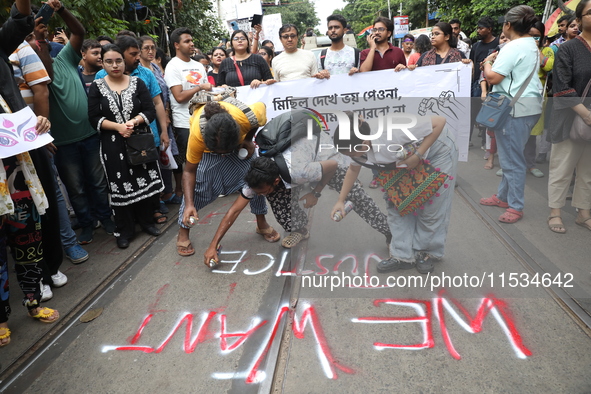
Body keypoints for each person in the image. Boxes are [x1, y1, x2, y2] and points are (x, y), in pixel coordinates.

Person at [1, 0, 61, 347]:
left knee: (27, 236)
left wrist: (38, 121)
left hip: (18, 166)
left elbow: (21, 19)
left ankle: (34, 301)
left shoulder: (3, 47)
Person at [331, 114, 457, 275]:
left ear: (363, 143)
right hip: (401, 157)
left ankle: (427, 252)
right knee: (397, 201)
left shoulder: (392, 130)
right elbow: (353, 169)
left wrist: (418, 155)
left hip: (435, 148)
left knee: (431, 204)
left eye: (351, 154)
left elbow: (440, 122)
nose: (351, 158)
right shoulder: (358, 147)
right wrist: (340, 200)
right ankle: (402, 255)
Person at [47, 0, 115, 245]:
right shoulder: (30, 75)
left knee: (98, 182)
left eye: (44, 45)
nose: (41, 47)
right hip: (62, 143)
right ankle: (86, 224)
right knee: (75, 188)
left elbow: (79, 32)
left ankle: (105, 218)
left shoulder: (64, 60)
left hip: (88, 135)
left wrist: (61, 10)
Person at [176, 100, 275, 256]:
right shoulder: (197, 135)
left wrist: (248, 139)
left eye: (225, 151)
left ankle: (261, 222)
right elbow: (189, 171)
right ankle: (184, 229)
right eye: (220, 152)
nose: (223, 155)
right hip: (208, 155)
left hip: (239, 147)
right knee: (199, 189)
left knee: (254, 180)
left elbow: (258, 116)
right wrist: (189, 204)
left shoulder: (245, 117)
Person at [88, 44, 163, 249]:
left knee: (143, 180)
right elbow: (93, 117)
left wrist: (133, 122)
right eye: (109, 61)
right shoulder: (97, 86)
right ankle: (125, 231)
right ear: (102, 63)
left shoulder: (138, 82)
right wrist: (118, 127)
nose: (115, 65)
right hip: (112, 145)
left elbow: (150, 110)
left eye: (118, 60)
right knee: (119, 186)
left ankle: (147, 222)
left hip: (138, 141)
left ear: (124, 61)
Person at [478, 5, 543, 224]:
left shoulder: (513, 47)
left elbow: (493, 78)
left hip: (513, 110)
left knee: (512, 160)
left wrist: (487, 62)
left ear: (508, 25)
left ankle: (515, 206)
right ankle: (503, 196)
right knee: (511, 155)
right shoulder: (531, 45)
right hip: (528, 107)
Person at [546, 0, 591, 234]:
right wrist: (586, 115)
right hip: (570, 118)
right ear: (580, 18)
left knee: (588, 172)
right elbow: (562, 87)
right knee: (562, 168)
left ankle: (583, 213)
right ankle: (555, 211)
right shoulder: (568, 48)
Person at [165, 27, 212, 204]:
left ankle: (206, 191)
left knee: (207, 156)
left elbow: (208, 91)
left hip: (205, 118)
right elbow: (179, 96)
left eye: (191, 40)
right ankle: (191, 198)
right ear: (177, 45)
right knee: (192, 161)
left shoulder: (199, 65)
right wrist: (199, 87)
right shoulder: (173, 66)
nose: (191, 44)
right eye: (187, 41)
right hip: (185, 122)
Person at [469, 17, 499, 146]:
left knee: (489, 116)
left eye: (481, 28)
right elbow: (471, 63)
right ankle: (466, 140)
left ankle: (486, 145)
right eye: (478, 28)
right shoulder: (476, 46)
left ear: (490, 29)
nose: (478, 31)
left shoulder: (498, 44)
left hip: (494, 86)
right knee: (471, 114)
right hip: (477, 86)